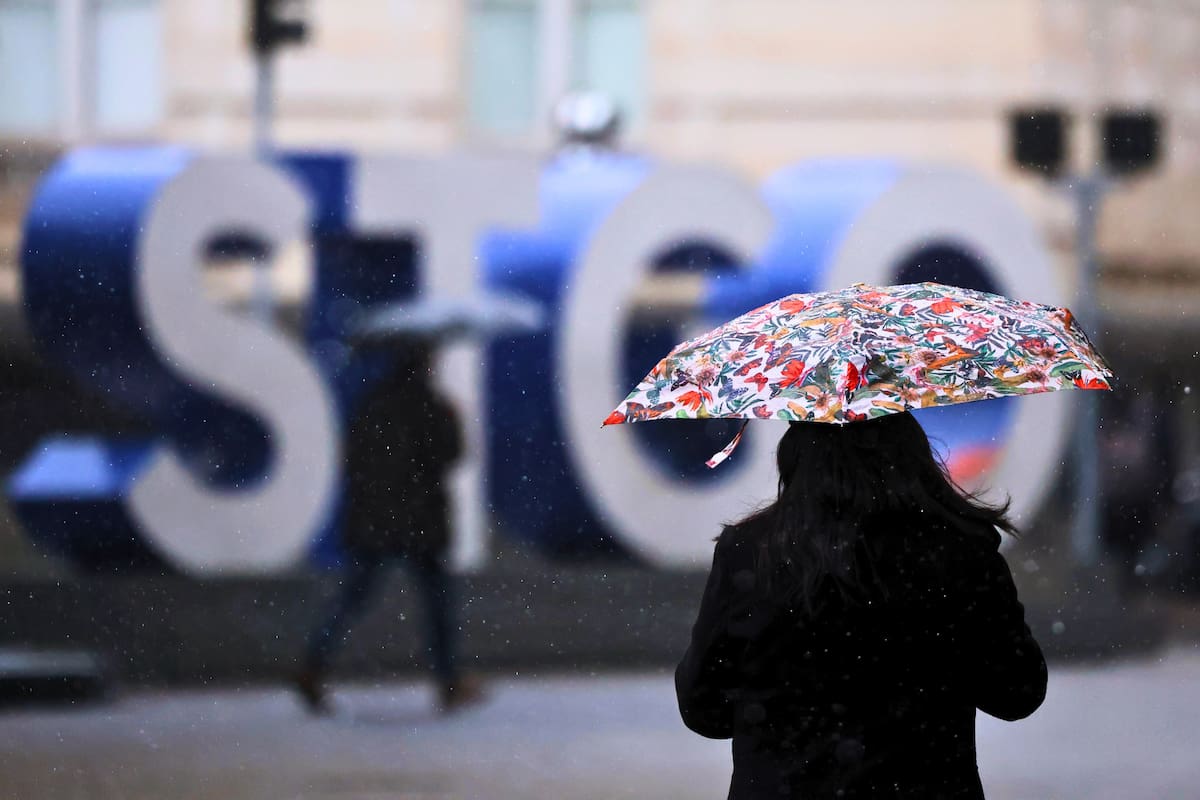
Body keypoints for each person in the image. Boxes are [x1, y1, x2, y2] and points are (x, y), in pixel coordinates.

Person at [675, 412, 1047, 799]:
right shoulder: (959, 548)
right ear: (912, 454)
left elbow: (704, 708)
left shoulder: (751, 553)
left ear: (795, 457)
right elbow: (1017, 692)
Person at [294, 343, 484, 714]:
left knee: (353, 598)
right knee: (437, 606)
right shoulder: (431, 407)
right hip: (420, 524)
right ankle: (448, 682)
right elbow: (451, 454)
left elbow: (352, 459)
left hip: (375, 522)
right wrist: (453, 418)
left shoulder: (372, 403)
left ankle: (313, 666)